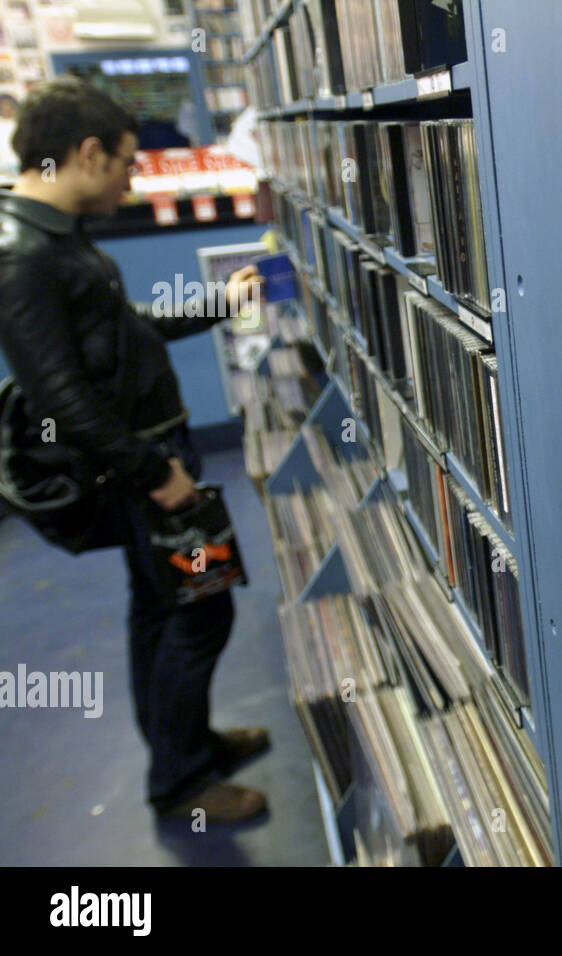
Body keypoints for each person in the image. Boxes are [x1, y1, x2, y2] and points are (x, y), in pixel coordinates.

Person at [0, 78, 269, 824]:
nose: (130, 177)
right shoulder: (24, 256)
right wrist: (159, 474)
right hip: (144, 470)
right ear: (86, 153)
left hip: (143, 462)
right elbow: (62, 400)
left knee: (158, 611)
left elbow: (123, 330)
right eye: (124, 160)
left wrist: (215, 304)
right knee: (201, 611)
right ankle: (182, 785)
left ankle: (186, 748)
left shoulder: (52, 239)